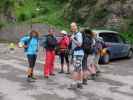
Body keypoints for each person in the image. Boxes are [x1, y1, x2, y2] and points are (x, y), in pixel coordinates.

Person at [69, 22, 84, 89]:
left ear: (76, 26)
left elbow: (80, 44)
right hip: (77, 53)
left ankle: (74, 84)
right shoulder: (74, 34)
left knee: (76, 69)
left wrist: (73, 39)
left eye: (73, 26)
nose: (72, 28)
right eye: (71, 26)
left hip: (78, 53)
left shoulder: (78, 34)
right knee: (79, 69)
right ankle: (80, 83)